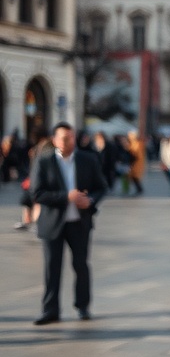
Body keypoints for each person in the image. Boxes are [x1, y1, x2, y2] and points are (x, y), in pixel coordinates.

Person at [29, 122, 108, 325]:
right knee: (51, 267)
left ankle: (83, 306)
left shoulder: (87, 159)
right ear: (55, 140)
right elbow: (37, 193)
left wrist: (90, 201)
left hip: (79, 223)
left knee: (81, 265)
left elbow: (102, 187)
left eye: (71, 138)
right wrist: (67, 197)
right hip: (53, 223)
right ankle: (50, 310)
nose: (68, 142)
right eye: (64, 138)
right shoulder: (44, 161)